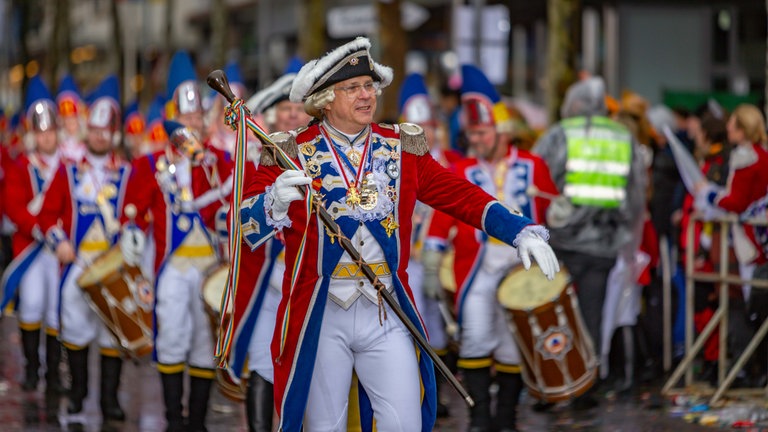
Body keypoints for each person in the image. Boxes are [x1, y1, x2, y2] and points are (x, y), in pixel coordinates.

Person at [235, 36, 559, 431]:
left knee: (404, 421)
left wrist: (520, 230)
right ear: (324, 99)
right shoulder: (290, 151)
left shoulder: (401, 148)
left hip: (384, 306)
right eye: (352, 88)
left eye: (369, 85)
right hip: (321, 311)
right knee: (324, 426)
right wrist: (274, 200)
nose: (365, 95)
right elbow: (246, 226)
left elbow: (459, 194)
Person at [423, 64, 558, 431]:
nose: (475, 140)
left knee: (514, 347)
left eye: (481, 132)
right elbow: (444, 215)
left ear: (502, 130)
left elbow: (551, 214)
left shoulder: (534, 166)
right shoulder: (462, 169)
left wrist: (561, 214)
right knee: (475, 339)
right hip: (477, 267)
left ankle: (506, 419)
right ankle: (480, 419)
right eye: (471, 133)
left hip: (521, 268)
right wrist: (433, 254)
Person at [121, 50, 233, 432]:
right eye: (185, 116)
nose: (192, 122)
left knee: (205, 341)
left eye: (197, 116)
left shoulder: (219, 160)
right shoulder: (150, 164)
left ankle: (197, 422)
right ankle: (174, 420)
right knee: (170, 336)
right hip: (171, 266)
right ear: (171, 117)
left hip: (209, 267)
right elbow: (133, 205)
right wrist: (131, 232)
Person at [533, 76, 647, 409]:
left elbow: (538, 178)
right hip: (604, 243)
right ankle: (584, 387)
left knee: (553, 313)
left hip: (560, 241)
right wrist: (627, 240)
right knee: (591, 316)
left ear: (575, 103)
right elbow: (636, 194)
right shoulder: (622, 138)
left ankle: (554, 384)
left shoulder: (560, 134)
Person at [222, 68, 311, 432]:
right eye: (284, 109)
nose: (291, 115)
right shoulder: (258, 156)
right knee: (261, 357)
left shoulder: (319, 153)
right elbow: (242, 220)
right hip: (268, 273)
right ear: (272, 116)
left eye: (297, 108)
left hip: (309, 274)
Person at [38, 74, 130, 421]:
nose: (99, 136)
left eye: (105, 132)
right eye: (94, 130)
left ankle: (109, 401)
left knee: (112, 333)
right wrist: (58, 243)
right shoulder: (67, 172)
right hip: (76, 263)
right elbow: (47, 216)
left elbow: (142, 214)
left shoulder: (127, 172)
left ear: (113, 135)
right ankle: (77, 395)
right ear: (86, 131)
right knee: (75, 330)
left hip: (112, 264)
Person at [0, 75, 65, 394]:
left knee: (56, 309)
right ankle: (31, 368)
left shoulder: (68, 164)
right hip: (30, 246)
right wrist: (36, 227)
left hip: (59, 248)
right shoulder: (20, 165)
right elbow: (12, 204)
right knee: (32, 305)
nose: (46, 138)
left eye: (50, 131)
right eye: (41, 132)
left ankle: (53, 373)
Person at [56, 74, 87, 162]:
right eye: (66, 119)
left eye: (73, 118)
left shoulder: (87, 147)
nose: (70, 123)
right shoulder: (57, 148)